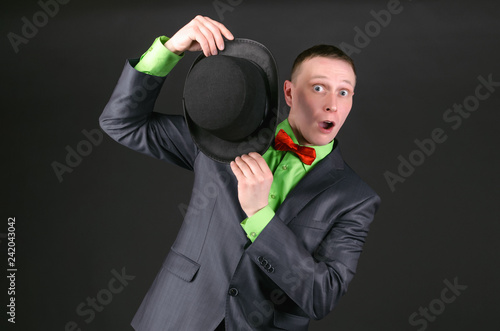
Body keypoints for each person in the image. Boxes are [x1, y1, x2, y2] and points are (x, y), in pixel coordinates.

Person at [100, 15, 380, 331]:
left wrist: (260, 216)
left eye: (344, 92)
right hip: (174, 317)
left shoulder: (356, 198)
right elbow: (121, 123)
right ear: (289, 94)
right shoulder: (224, 136)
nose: (332, 104)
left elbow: (321, 296)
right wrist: (171, 50)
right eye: (319, 88)